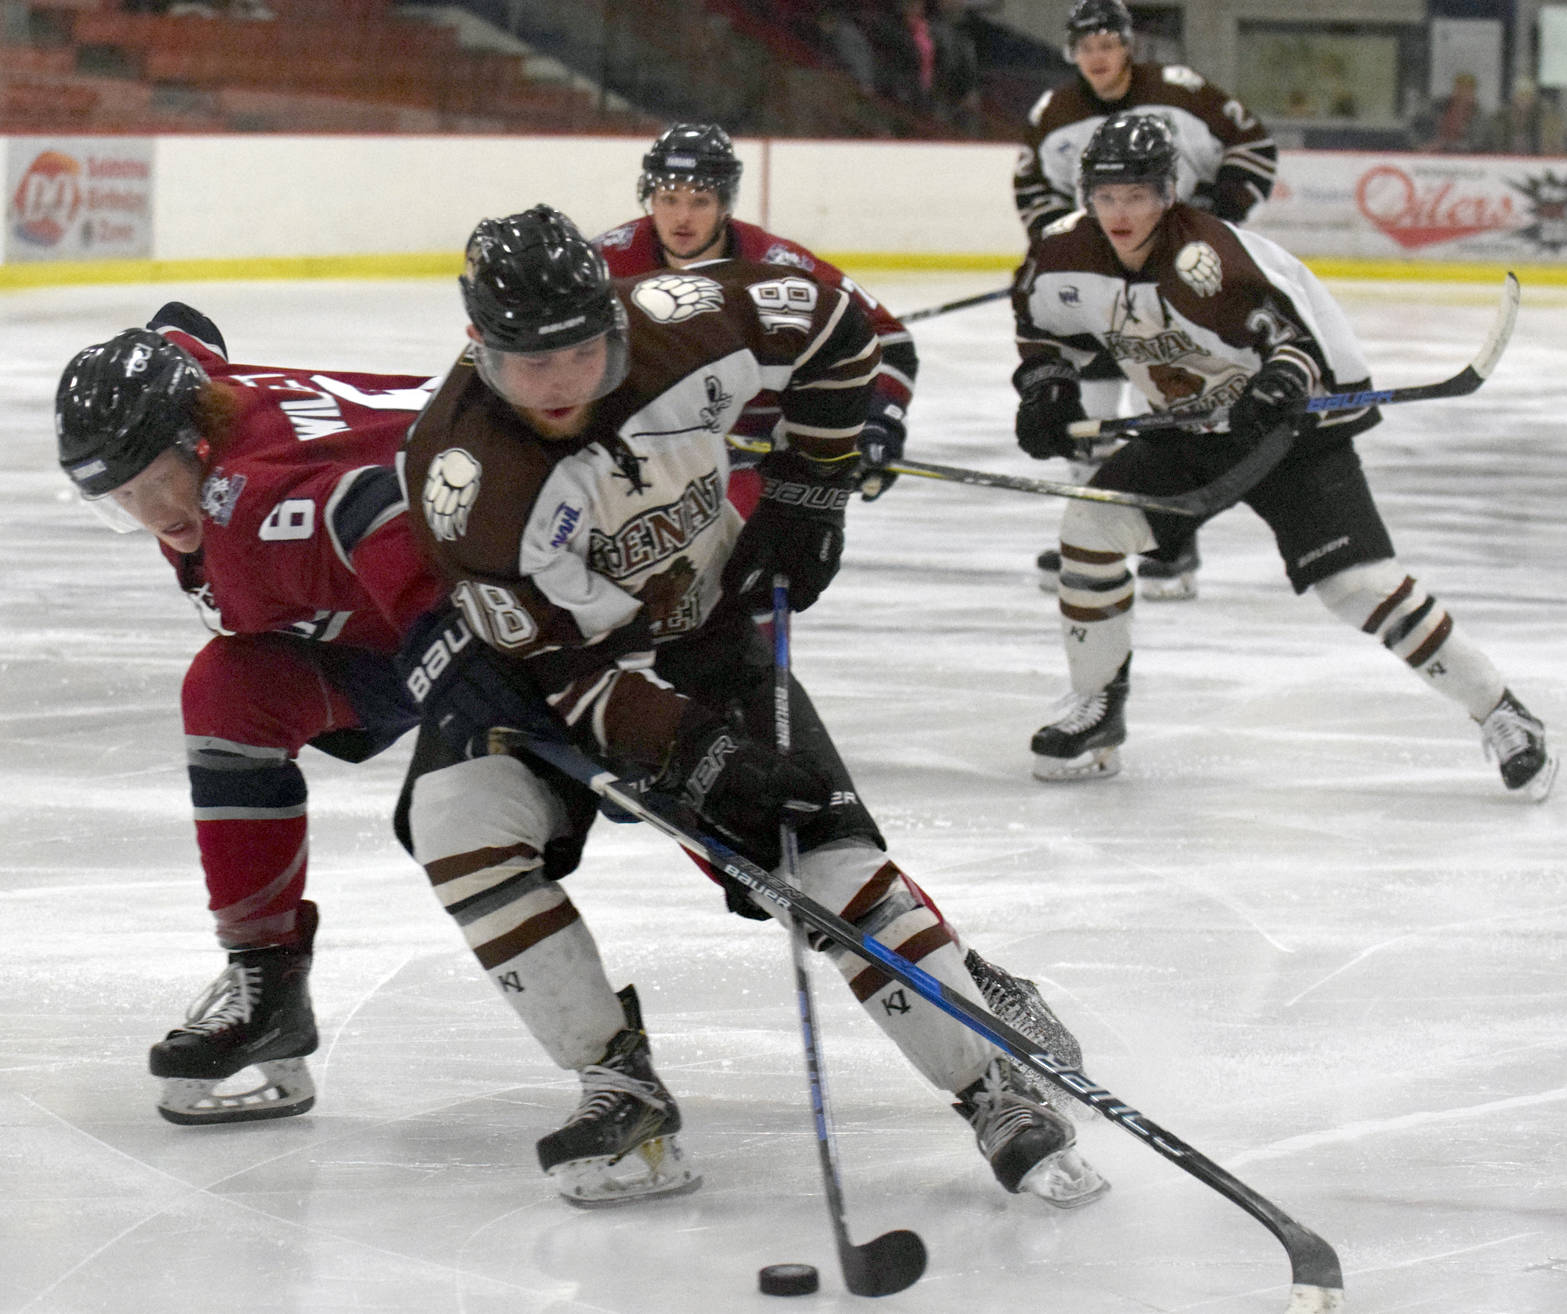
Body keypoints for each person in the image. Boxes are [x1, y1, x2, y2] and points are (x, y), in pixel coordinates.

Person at [395, 204, 1109, 1209]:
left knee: (821, 857)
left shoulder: (682, 315)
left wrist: (808, 488)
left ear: (613, 318)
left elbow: (835, 326)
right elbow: (566, 674)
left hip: (707, 637)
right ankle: (616, 1081)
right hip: (548, 679)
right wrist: (693, 752)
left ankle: (986, 1078)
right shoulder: (469, 483)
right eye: (526, 363)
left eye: (578, 352)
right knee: (457, 826)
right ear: (480, 350)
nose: (557, 383)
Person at [1010, 112, 1556, 803]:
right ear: (1086, 194)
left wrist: (1275, 385)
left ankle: (1502, 712)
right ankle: (1096, 708)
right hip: (1187, 429)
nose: (1120, 212)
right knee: (1091, 529)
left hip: (1288, 435)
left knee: (1357, 586)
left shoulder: (1206, 262)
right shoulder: (1061, 254)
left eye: (1138, 196)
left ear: (1167, 192)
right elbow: (1042, 331)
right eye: (1107, 196)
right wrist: (1045, 389)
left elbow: (1296, 344)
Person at [54, 305, 446, 1124]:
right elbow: (181, 330)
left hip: (495, 590)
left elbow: (372, 512)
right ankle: (266, 985)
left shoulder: (248, 510)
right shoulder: (198, 392)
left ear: (195, 441)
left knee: (653, 760)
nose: (152, 511)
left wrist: (471, 664)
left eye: (155, 476)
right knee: (232, 691)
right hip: (407, 602)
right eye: (120, 495)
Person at [1016, 0, 1278, 603]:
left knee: (1166, 394)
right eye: (1087, 48)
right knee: (1091, 404)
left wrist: (1218, 215)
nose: (1098, 58)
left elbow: (1254, 146)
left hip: (1184, 270)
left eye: (1108, 45)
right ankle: (1086, 533)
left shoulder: (1182, 92)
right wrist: (1074, 244)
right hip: (1103, 274)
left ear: (1128, 46)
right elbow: (1032, 189)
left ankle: (1171, 538)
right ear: (1072, 53)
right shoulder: (1052, 113)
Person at [594, 122, 916, 508]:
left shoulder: (777, 264)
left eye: (700, 200)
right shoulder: (608, 261)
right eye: (668, 198)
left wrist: (877, 421)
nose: (682, 218)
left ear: (725, 203)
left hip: (752, 460)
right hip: (643, 454)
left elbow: (889, 341)